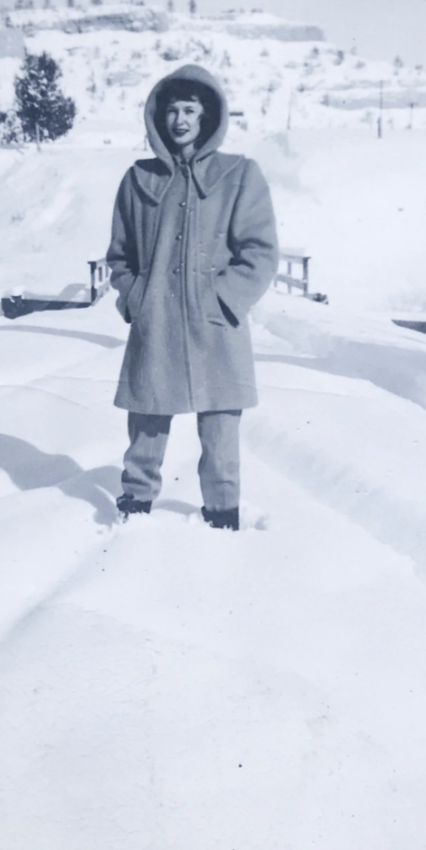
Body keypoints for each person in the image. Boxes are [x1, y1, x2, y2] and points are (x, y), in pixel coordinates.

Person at [106, 64, 278, 530]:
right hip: (156, 321)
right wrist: (137, 297)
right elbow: (119, 257)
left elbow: (260, 254)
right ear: (158, 118)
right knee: (145, 426)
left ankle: (223, 520)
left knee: (221, 429)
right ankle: (133, 513)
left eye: (190, 109)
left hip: (216, 325)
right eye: (172, 110)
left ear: (208, 116)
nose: (179, 120)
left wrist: (221, 299)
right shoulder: (136, 179)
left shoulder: (240, 175)